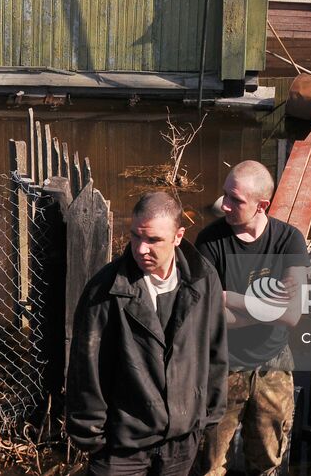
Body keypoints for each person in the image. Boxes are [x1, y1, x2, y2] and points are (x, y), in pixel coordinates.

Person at [67, 191, 228, 476]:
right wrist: (91, 436)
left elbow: (215, 349)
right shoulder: (104, 290)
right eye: (135, 237)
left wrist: (208, 416)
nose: (141, 249)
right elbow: (86, 367)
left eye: (153, 240)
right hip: (122, 446)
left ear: (178, 236)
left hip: (181, 441)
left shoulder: (204, 280)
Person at [195, 161, 309, 476]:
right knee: (210, 465)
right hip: (222, 368)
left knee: (267, 464)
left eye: (235, 200)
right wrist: (269, 309)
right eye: (224, 195)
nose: (224, 205)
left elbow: (293, 314)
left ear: (262, 205)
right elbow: (208, 314)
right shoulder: (210, 242)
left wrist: (231, 298)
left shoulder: (289, 240)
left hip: (272, 368)